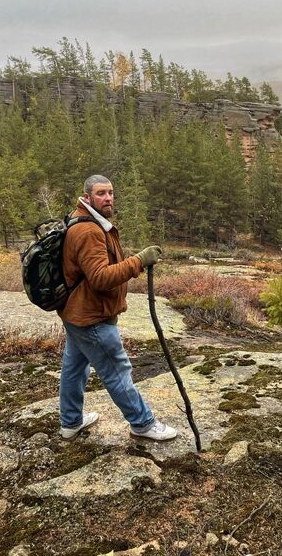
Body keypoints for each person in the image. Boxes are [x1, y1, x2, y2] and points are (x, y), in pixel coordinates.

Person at [57, 173, 177, 442]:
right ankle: (142, 423)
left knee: (75, 367)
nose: (108, 198)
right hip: (92, 317)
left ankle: (70, 422)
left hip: (76, 312)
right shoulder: (88, 230)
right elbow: (100, 278)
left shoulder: (88, 221)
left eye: (110, 192)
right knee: (116, 370)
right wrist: (139, 261)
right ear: (87, 197)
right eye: (101, 193)